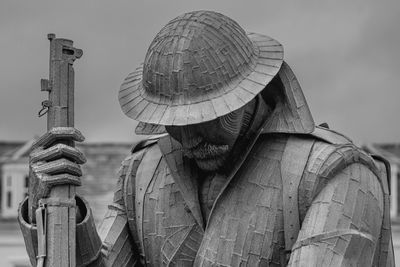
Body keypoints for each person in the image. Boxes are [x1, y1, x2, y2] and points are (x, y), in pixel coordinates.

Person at [19, 10, 394, 266]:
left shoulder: (336, 173)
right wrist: (53, 214)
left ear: (250, 93)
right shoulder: (140, 173)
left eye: (204, 117)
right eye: (171, 120)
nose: (187, 138)